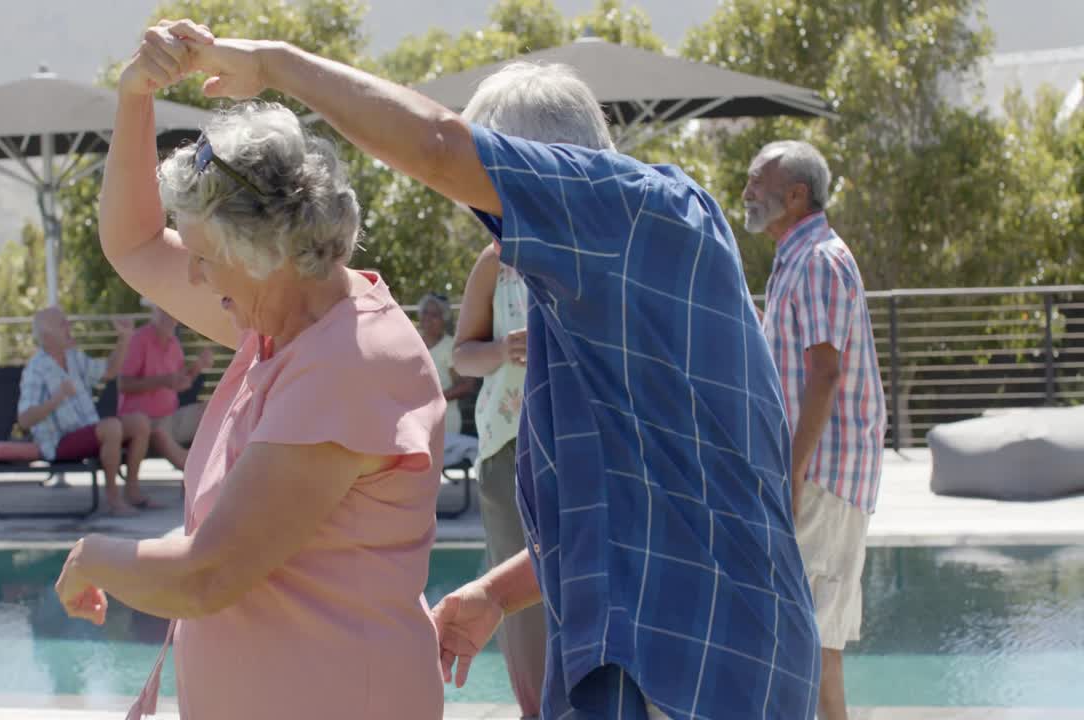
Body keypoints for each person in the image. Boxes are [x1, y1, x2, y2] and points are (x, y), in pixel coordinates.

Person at [149, 22, 821, 719]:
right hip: (666, 661)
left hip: (706, 670)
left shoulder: (641, 216)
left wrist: (273, 63)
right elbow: (630, 513)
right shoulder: (591, 297)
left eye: (491, 202)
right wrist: (497, 592)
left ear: (541, 169)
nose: (492, 230)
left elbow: (437, 146)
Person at [53, 21, 447, 720]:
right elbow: (136, 241)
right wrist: (134, 95)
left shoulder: (350, 364)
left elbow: (209, 575)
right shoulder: (278, 320)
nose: (194, 276)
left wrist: (90, 556)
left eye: (205, 255)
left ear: (269, 249)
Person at [745, 140, 886, 720]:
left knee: (812, 638)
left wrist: (795, 471)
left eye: (758, 179)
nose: (747, 190)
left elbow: (825, 373)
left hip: (823, 474)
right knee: (803, 636)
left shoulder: (820, 260)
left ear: (796, 194)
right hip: (813, 471)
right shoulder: (795, 258)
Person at [452, 244, 544, 718]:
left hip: (586, 442)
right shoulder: (493, 261)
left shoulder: (591, 241)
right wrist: (501, 350)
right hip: (509, 442)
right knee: (518, 597)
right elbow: (462, 358)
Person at [18, 306, 155, 516]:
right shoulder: (35, 370)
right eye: (63, 323)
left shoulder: (73, 357)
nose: (69, 326)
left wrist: (125, 338)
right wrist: (56, 399)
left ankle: (132, 491)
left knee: (140, 423)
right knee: (112, 427)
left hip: (89, 431)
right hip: (60, 442)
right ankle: (114, 500)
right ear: (47, 336)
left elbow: (109, 371)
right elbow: (25, 420)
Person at [117, 302, 214, 470]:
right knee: (159, 433)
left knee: (211, 410)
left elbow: (180, 383)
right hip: (145, 421)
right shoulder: (139, 340)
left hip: (169, 418)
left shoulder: (174, 344)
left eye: (172, 313)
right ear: (154, 312)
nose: (170, 317)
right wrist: (162, 381)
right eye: (164, 312)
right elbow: (123, 384)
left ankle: (203, 466)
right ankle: (194, 470)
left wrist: (199, 365)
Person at [418, 293, 478, 437]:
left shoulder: (451, 347)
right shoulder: (412, 343)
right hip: (415, 418)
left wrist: (435, 399)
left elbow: (467, 385)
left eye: (435, 315)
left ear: (444, 319)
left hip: (445, 421)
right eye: (425, 312)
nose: (428, 318)